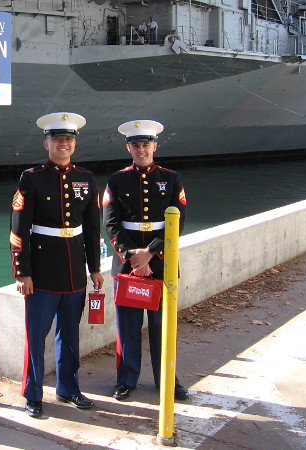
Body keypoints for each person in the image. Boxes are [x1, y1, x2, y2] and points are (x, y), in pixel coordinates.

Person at [10, 112, 104, 418]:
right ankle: (33, 394)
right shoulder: (32, 177)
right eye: (58, 139)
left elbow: (92, 229)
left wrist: (95, 268)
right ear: (46, 142)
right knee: (36, 335)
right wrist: (22, 272)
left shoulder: (87, 179)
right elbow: (18, 229)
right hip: (42, 270)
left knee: (70, 334)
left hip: (75, 269)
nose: (63, 144)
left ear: (74, 144)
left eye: (69, 139)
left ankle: (68, 388)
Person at [102, 120, 189, 402]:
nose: (141, 150)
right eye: (135, 145)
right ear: (129, 147)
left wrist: (150, 252)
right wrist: (133, 257)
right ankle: (126, 380)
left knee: (162, 327)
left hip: (161, 262)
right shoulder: (116, 180)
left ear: (155, 146)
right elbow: (111, 224)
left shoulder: (171, 177)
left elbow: (179, 220)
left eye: (146, 145)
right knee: (127, 327)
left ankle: (167, 379)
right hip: (127, 264)